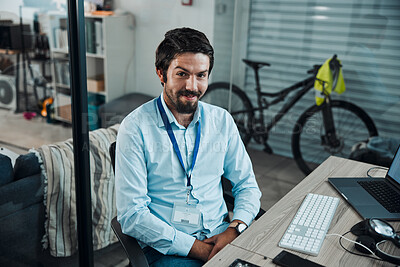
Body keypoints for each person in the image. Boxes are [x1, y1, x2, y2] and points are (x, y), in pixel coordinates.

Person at [115, 27, 261, 267]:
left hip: (223, 234)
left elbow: (247, 186)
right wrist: (201, 251)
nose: (192, 86)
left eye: (201, 75)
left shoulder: (221, 121)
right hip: (167, 248)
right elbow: (132, 216)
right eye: (182, 74)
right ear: (161, 73)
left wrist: (236, 228)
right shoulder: (135, 128)